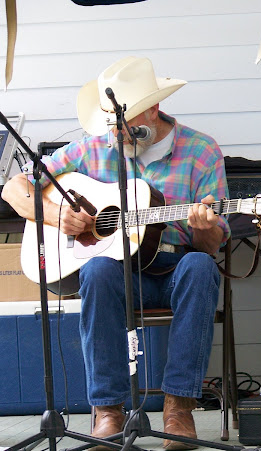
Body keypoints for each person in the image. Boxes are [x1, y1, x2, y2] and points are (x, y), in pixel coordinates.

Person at [2, 56, 231, 449]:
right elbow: (13, 188)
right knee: (97, 271)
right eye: (109, 121)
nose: (114, 132)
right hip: (117, 276)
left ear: (154, 109)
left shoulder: (202, 151)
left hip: (176, 270)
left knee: (200, 266)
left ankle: (178, 408)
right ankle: (109, 410)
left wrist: (204, 228)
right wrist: (58, 215)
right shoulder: (91, 149)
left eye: (122, 122)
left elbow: (214, 244)